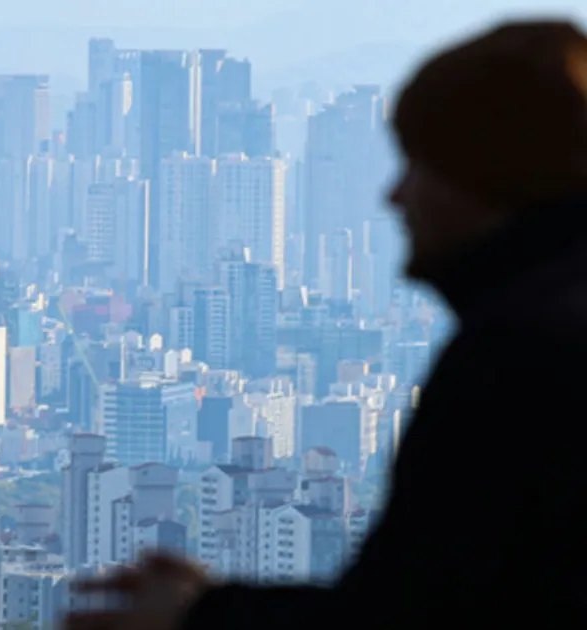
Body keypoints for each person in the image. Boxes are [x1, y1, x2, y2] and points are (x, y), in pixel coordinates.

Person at [64, 19, 587, 630]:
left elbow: (403, 617)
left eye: (420, 166)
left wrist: (199, 616)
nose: (396, 197)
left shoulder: (518, 356)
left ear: (488, 177)